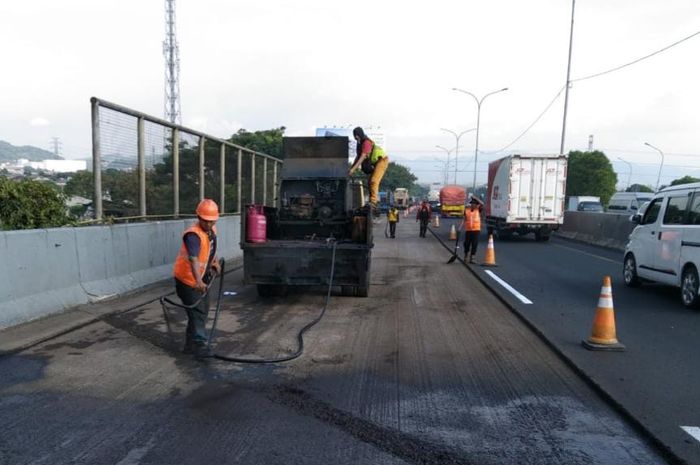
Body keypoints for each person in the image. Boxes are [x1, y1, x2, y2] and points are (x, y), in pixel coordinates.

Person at [172, 198, 222, 358]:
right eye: (205, 221)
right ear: (199, 217)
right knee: (198, 312)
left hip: (202, 279)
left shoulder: (211, 231)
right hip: (188, 281)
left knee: (202, 311)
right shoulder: (193, 235)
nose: (208, 224)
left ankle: (189, 346)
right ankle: (199, 346)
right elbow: (193, 258)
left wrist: (214, 262)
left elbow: (209, 250)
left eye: (211, 221)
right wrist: (198, 282)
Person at [348, 127, 389, 212]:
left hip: (382, 161)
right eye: (355, 137)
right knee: (369, 182)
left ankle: (373, 202)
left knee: (374, 181)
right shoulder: (359, 143)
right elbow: (358, 157)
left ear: (359, 135)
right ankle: (372, 201)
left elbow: (362, 157)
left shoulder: (366, 143)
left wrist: (353, 170)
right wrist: (351, 169)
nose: (356, 138)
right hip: (375, 162)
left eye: (356, 136)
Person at [463, 196, 484, 264]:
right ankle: (466, 256)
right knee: (466, 244)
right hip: (468, 230)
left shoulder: (478, 210)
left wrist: (476, 198)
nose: (473, 205)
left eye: (474, 204)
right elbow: (464, 219)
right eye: (472, 204)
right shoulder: (466, 210)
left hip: (476, 230)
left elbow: (482, 204)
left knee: (474, 244)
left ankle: (472, 258)